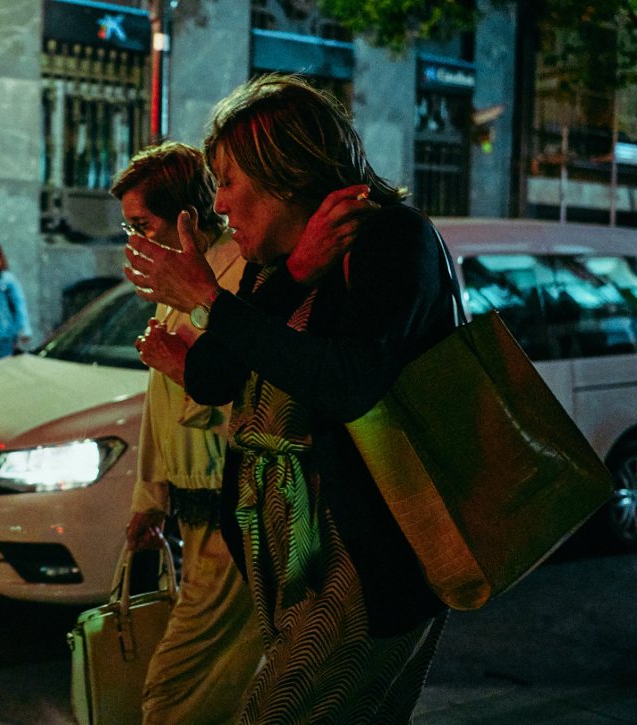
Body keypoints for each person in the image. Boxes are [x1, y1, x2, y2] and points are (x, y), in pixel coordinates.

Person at [124, 74, 454, 723]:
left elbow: (350, 383)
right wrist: (294, 273)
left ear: (286, 171)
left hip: (362, 563)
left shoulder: (392, 239)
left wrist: (210, 299)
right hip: (287, 560)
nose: (219, 204)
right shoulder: (278, 260)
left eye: (229, 180)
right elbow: (215, 375)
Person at [110, 141, 263, 725]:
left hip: (233, 518)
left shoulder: (236, 276)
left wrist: (185, 368)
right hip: (194, 519)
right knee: (216, 686)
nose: (134, 241)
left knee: (172, 690)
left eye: (142, 225)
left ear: (185, 218)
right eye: (129, 228)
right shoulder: (176, 288)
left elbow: (259, 394)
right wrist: (149, 499)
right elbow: (159, 406)